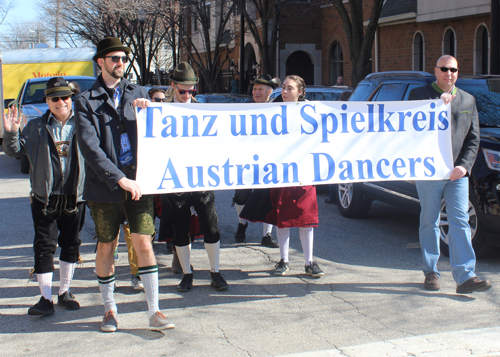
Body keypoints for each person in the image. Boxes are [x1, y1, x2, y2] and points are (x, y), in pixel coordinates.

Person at [74, 37, 175, 332]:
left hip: (139, 183)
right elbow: (90, 148)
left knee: (143, 241)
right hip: (105, 186)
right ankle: (109, 309)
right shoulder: (85, 101)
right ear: (101, 62)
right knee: (107, 245)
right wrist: (120, 179)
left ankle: (155, 311)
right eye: (115, 59)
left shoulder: (137, 92)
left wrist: (150, 109)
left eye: (123, 59)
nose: (121, 63)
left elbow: (161, 130)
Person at [408, 55, 491, 294]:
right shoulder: (419, 96)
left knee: (460, 221)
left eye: (453, 69)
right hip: (429, 171)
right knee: (430, 220)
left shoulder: (467, 100)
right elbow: (409, 132)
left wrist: (464, 165)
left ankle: (466, 276)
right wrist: (435, 108)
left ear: (458, 72)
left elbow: (474, 139)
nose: (449, 73)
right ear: (435, 71)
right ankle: (431, 270)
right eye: (444, 69)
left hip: (457, 174)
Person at [3, 77, 86, 315]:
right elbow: (16, 151)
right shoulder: (36, 126)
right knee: (44, 247)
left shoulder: (83, 125)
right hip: (44, 198)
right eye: (55, 98)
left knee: (71, 244)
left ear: (72, 99)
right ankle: (45, 299)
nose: (61, 102)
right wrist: (10, 133)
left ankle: (65, 292)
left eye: (65, 97)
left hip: (75, 196)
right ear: (47, 102)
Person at [241, 75, 324, 278]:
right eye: (284, 87)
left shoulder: (312, 113)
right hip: (280, 173)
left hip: (304, 172)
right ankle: (284, 260)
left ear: (300, 92)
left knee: (306, 219)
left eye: (290, 88)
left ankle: (309, 262)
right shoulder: (272, 112)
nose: (285, 91)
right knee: (282, 218)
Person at [164, 62, 228, 293]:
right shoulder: (160, 112)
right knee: (180, 228)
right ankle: (187, 275)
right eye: (182, 91)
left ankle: (215, 272)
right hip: (175, 178)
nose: (187, 95)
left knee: (210, 225)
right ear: (172, 86)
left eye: (192, 90)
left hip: (202, 177)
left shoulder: (204, 111)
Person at [233, 74, 278, 248]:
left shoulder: (277, 110)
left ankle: (267, 234)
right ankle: (241, 223)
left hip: (268, 160)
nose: (256, 92)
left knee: (268, 196)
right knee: (241, 195)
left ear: (270, 92)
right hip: (245, 159)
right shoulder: (243, 109)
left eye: (260, 89)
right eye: (254, 89)